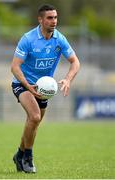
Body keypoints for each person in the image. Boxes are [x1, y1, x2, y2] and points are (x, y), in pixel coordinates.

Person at [11, 4, 80, 173]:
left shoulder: (59, 39)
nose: (54, 21)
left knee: (34, 123)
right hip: (23, 84)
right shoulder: (28, 39)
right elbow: (15, 67)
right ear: (40, 20)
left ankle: (19, 154)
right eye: (50, 18)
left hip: (43, 89)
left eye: (55, 17)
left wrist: (68, 79)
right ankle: (28, 158)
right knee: (34, 117)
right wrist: (28, 86)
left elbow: (75, 62)